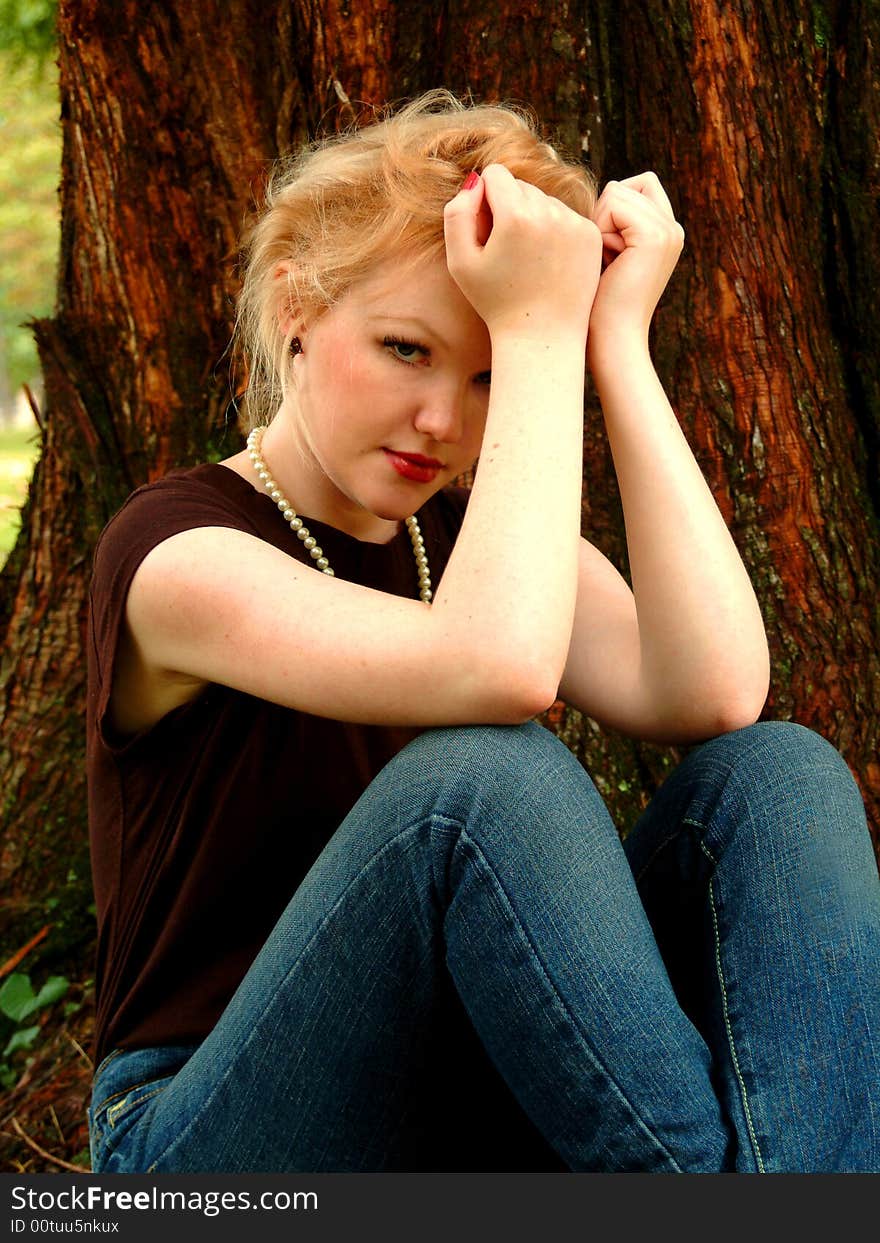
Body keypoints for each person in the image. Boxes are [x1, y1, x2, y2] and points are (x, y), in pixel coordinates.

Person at [85, 89, 880, 1174]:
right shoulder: (175, 555)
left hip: (466, 1098)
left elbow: (714, 691)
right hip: (209, 1130)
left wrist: (615, 343)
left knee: (780, 776)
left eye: (487, 376)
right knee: (478, 783)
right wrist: (533, 320)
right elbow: (494, 668)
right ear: (294, 310)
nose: (444, 423)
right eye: (407, 348)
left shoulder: (467, 545)